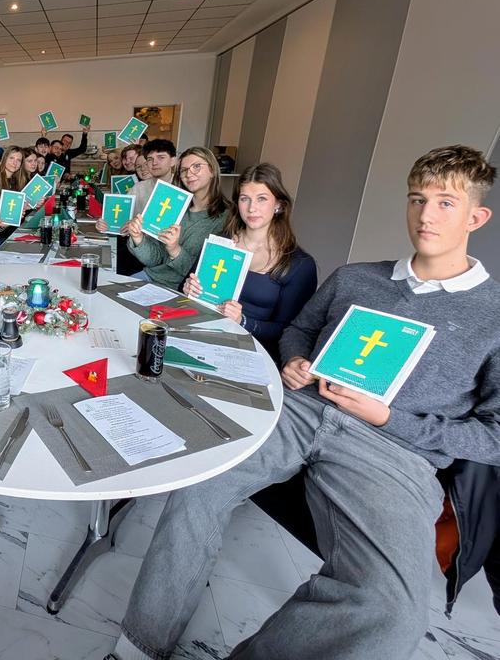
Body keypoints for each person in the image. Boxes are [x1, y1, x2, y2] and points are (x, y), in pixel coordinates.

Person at [109, 145, 500, 660]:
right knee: (199, 480)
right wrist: (296, 358)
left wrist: (390, 417)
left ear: (476, 217)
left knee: (392, 616)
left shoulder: (492, 314)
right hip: (302, 409)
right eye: (416, 199)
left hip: (396, 453)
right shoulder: (356, 277)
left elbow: (493, 435)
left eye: (445, 203)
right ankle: (138, 647)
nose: (426, 215)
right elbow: (299, 330)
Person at [182, 163, 317, 361]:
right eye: (245, 199)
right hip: (204, 334)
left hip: (253, 352)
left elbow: (290, 331)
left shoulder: (298, 263)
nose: (252, 208)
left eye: (262, 199)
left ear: (279, 205)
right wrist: (188, 287)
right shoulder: (221, 242)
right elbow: (187, 287)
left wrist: (243, 321)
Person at [125, 147, 230, 289]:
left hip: (181, 290)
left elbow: (207, 278)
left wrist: (175, 250)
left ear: (212, 170)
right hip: (151, 277)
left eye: (196, 166)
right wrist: (138, 238)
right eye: (184, 170)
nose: (189, 174)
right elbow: (154, 260)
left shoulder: (226, 218)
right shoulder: (174, 206)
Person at [130, 139, 179, 215]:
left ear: (173, 161)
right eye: (150, 159)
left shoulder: (182, 186)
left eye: (161, 157)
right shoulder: (138, 189)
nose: (154, 163)